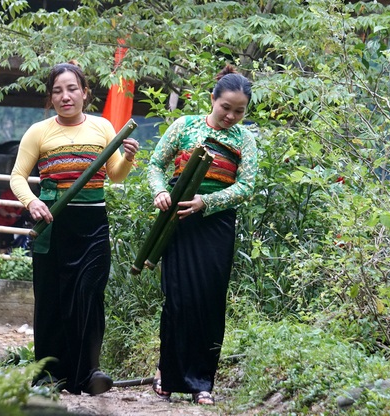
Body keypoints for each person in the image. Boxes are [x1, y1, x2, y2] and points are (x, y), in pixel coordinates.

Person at [9, 61, 139, 395]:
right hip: (52, 225)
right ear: (50, 98)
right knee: (51, 301)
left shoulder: (102, 127)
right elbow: (17, 177)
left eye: (72, 89)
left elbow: (116, 175)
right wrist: (32, 202)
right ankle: (50, 376)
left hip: (93, 226)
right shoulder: (38, 132)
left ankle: (89, 372)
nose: (65, 96)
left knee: (89, 296)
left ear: (84, 92)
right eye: (57, 91)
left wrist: (127, 157)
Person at [147, 64, 258, 405]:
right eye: (226, 108)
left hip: (216, 225)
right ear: (213, 99)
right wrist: (160, 192)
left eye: (239, 111)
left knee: (209, 302)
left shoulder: (245, 139)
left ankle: (202, 383)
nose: (231, 116)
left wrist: (205, 201)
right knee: (177, 300)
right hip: (178, 222)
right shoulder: (185, 126)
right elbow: (155, 166)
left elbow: (247, 186)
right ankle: (167, 375)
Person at [0, 187, 24, 252]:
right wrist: (8, 215)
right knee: (5, 244)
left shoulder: (24, 195)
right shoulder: (7, 194)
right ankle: (0, 260)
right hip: (4, 223)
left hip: (15, 222)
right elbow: (0, 209)